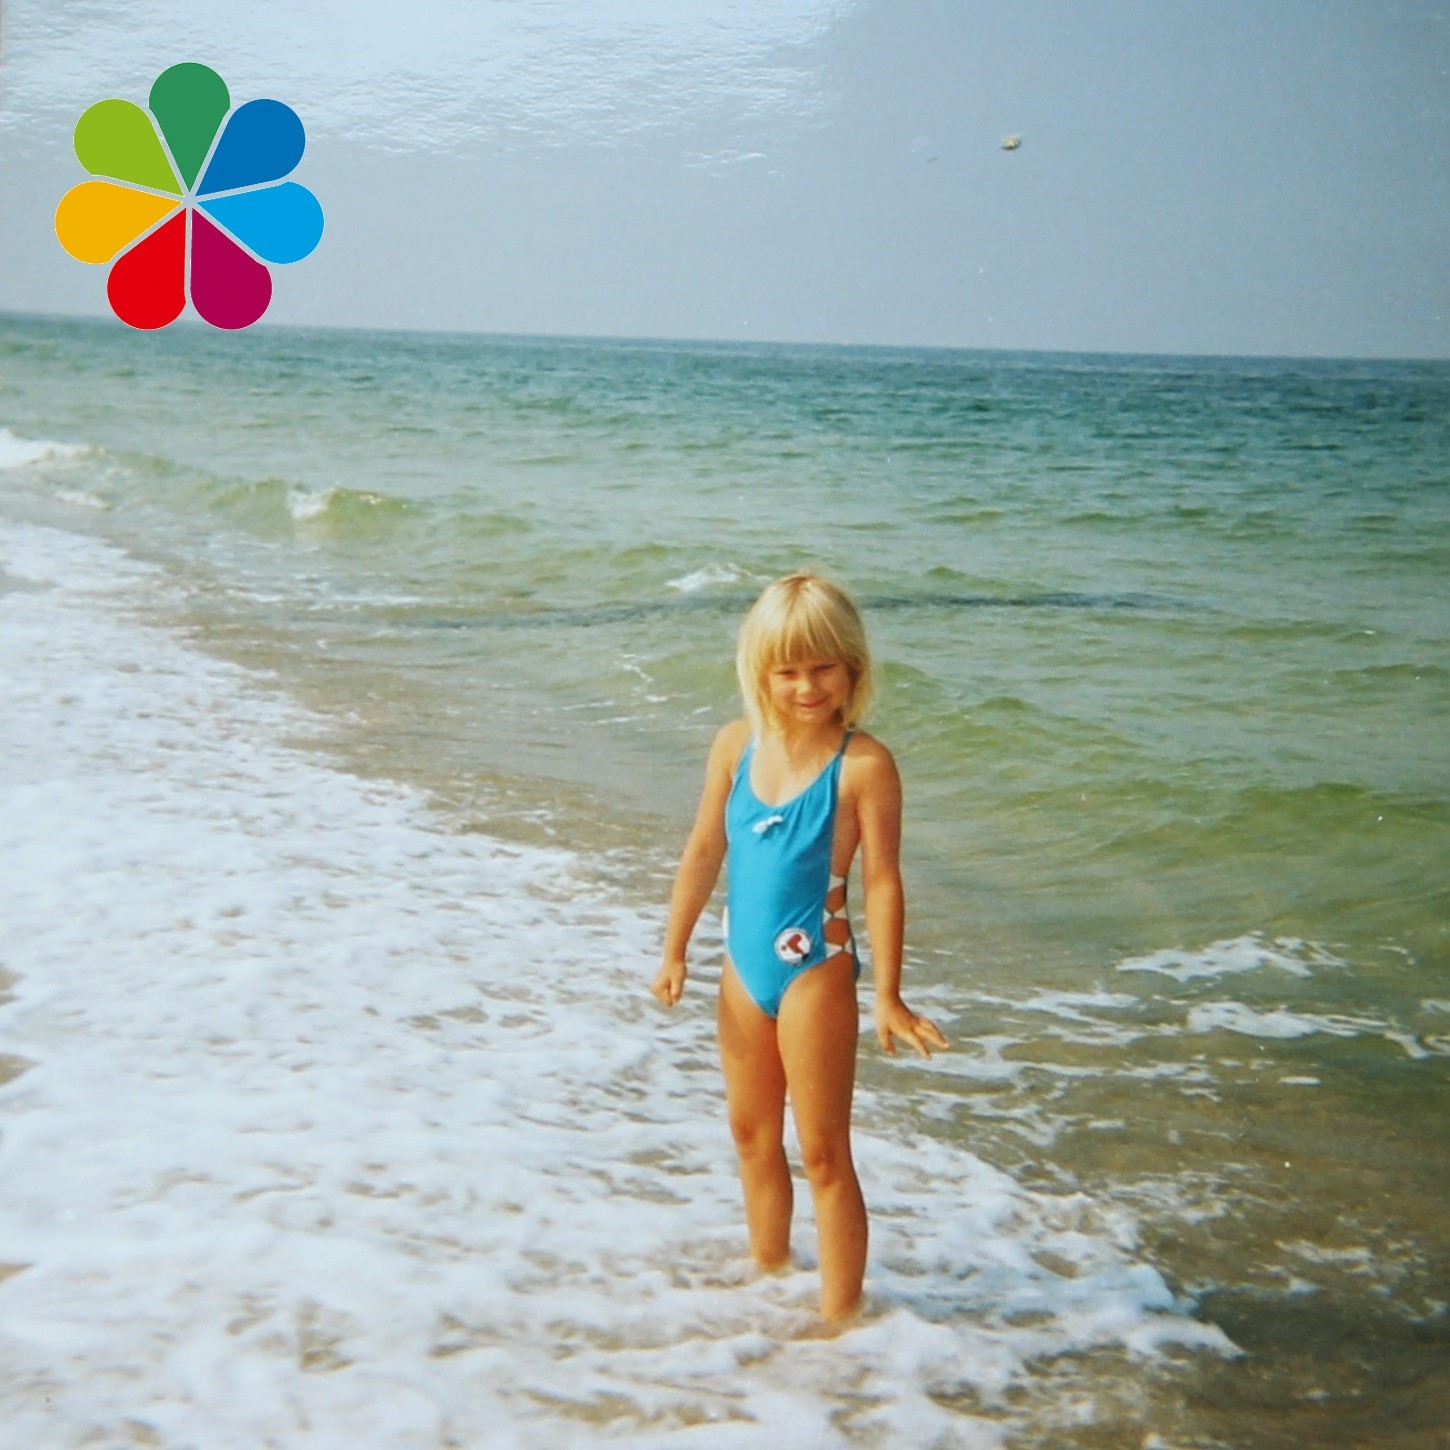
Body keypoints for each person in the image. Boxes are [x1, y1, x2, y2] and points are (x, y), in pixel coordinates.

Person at [651, 572, 948, 1320]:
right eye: (787, 670)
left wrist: (886, 992)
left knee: (823, 1154)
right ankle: (770, 1278)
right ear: (761, 672)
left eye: (823, 667)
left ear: (853, 666)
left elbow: (882, 880)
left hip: (816, 967)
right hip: (740, 971)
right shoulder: (733, 747)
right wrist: (674, 948)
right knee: (752, 1137)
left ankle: (842, 1321)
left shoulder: (863, 765)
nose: (806, 686)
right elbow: (703, 849)